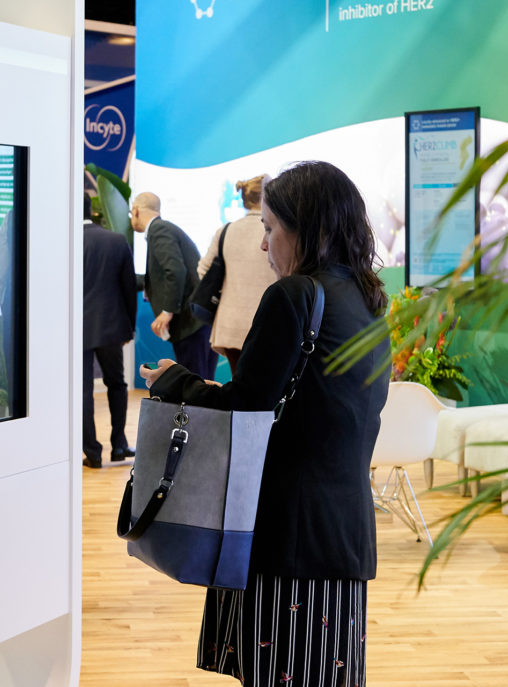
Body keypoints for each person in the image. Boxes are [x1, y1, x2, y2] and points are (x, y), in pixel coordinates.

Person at [139, 162, 389, 686]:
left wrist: (177, 381)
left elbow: (246, 407)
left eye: (271, 229)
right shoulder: (367, 300)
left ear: (309, 230)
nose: (262, 245)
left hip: (286, 534)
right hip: (343, 532)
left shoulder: (295, 295)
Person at [130, 192, 218, 379]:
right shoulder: (165, 228)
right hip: (198, 322)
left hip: (190, 324)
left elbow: (175, 271)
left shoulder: (158, 230)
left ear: (136, 210)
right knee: (203, 385)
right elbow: (164, 273)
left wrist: (167, 311)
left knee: (194, 387)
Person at [197, 175, 274, 374]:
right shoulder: (277, 230)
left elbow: (203, 270)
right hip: (267, 322)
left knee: (240, 385)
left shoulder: (226, 230)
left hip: (230, 324)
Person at [82, 193, 137, 468]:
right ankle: (119, 445)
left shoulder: (63, 242)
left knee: (81, 392)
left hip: (75, 330)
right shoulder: (116, 240)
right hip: (111, 325)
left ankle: (91, 453)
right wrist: (130, 327)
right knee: (117, 385)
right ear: (93, 210)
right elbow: (129, 288)